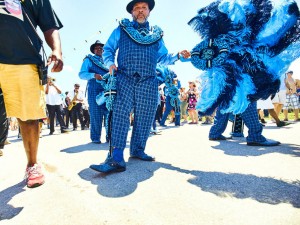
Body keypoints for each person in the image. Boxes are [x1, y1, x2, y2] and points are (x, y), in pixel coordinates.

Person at [90, 0, 190, 173]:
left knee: (145, 115)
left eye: (144, 7)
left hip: (149, 80)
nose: (140, 10)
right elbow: (108, 49)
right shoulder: (121, 29)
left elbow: (163, 57)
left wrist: (178, 56)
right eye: (137, 8)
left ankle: (137, 150)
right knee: (120, 114)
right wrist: (109, 64)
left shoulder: (156, 35)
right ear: (132, 13)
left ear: (149, 11)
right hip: (124, 77)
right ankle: (116, 157)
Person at [0, 0, 63, 187]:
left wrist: (57, 50)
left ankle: (32, 164)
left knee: (28, 116)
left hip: (24, 60)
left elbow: (49, 26)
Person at [79, 40, 109, 143]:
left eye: (101, 48)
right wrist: (93, 75)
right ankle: (95, 138)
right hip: (94, 89)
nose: (99, 49)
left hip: (108, 89)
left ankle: (110, 137)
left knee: (109, 113)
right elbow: (81, 74)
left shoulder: (108, 60)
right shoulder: (89, 60)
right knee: (96, 114)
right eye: (97, 48)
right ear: (93, 50)